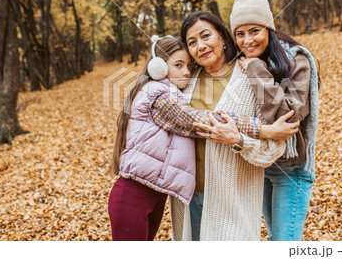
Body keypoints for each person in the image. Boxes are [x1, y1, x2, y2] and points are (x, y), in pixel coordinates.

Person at [108, 35, 295, 241]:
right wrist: (265, 130)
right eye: (178, 65)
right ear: (158, 68)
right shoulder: (159, 95)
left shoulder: (172, 91)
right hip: (133, 196)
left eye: (188, 65)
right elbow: (200, 120)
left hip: (152, 195)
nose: (186, 71)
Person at [169, 11, 299, 241]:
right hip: (188, 199)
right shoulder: (184, 81)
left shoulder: (250, 76)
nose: (200, 46)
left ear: (221, 36)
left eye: (206, 36)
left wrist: (239, 140)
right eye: (192, 42)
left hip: (233, 202)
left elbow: (274, 149)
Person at [230, 0, 320, 241]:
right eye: (240, 34)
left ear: (268, 27)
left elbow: (291, 116)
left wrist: (257, 70)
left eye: (254, 31)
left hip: (292, 167)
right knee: (274, 237)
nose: (247, 41)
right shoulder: (242, 61)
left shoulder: (296, 59)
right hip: (261, 163)